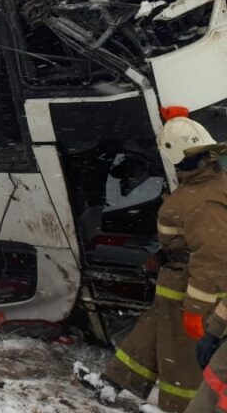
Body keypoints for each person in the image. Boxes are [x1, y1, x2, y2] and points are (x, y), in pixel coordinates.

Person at [83, 117, 227, 413]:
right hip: (175, 283)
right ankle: (114, 381)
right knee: (149, 335)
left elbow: (212, 256)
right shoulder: (214, 184)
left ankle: (179, 406)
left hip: (190, 290)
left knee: (182, 358)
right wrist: (163, 258)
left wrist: (197, 309)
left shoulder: (197, 200)